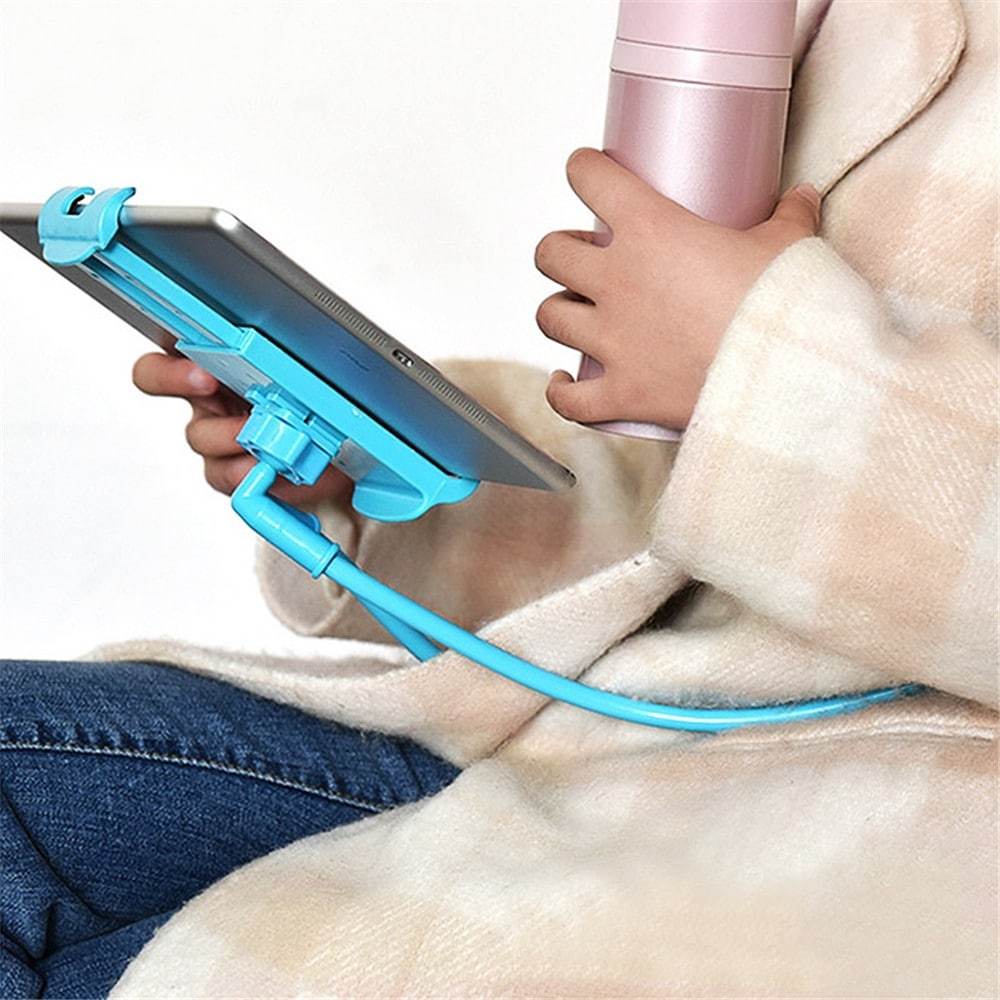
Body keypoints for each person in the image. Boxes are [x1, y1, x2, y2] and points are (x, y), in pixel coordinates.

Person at [2, 0, 995, 995]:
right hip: (611, 729)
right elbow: (711, 511)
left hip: (874, 844)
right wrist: (381, 458)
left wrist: (768, 365)